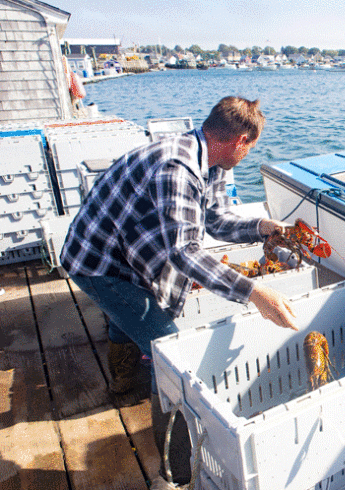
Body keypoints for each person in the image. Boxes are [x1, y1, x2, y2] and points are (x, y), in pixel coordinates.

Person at [60, 96, 297, 484]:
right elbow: (184, 252)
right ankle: (174, 471)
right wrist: (255, 293)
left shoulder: (213, 162)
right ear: (239, 140)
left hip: (128, 251)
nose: (249, 153)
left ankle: (122, 383)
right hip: (98, 262)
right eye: (250, 146)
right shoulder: (178, 167)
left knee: (130, 317)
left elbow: (216, 222)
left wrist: (261, 228)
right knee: (169, 354)